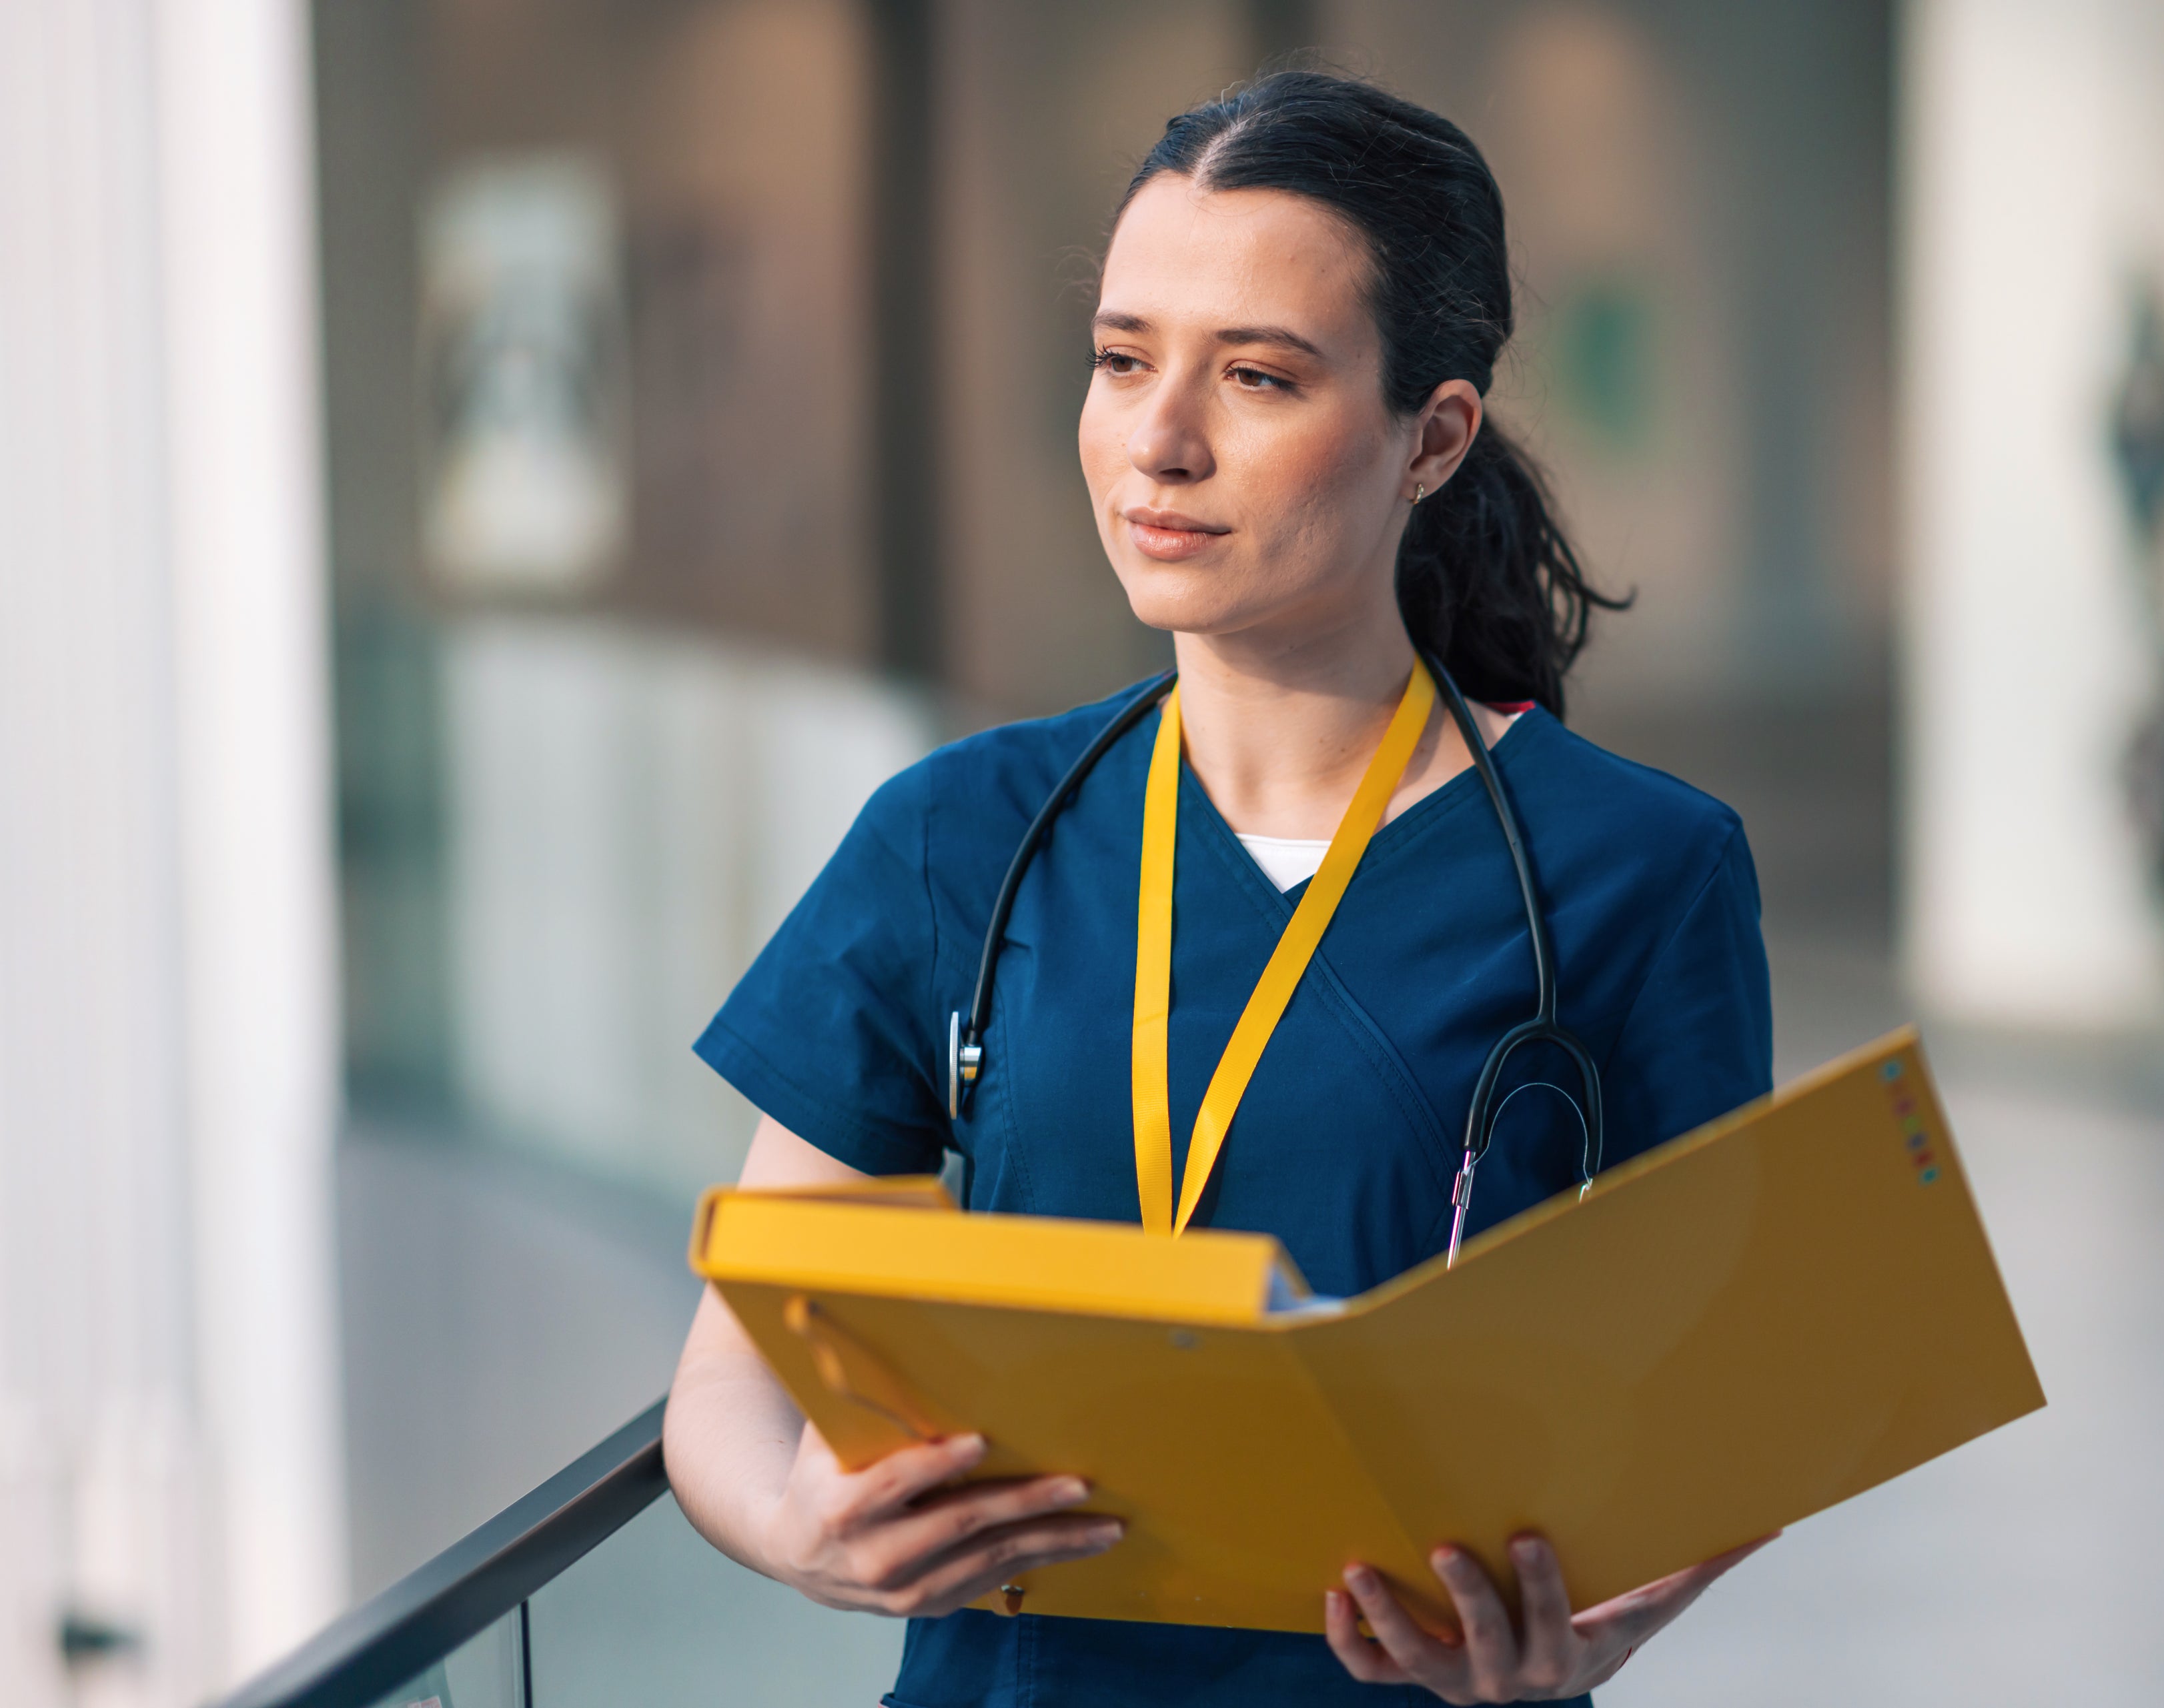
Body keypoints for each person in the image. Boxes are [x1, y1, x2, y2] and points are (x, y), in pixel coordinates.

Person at [664, 70, 1775, 1707]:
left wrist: (1597, 1627)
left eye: (1256, 377)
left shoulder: (1635, 871)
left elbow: (1730, 1392)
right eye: (1122, 361)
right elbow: (734, 1372)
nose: (1159, 442)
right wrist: (797, 1527)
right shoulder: (959, 835)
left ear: (1434, 436)